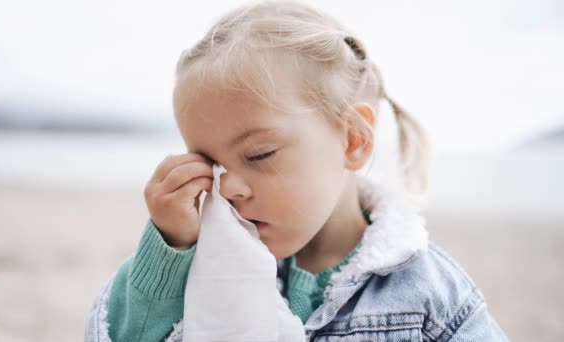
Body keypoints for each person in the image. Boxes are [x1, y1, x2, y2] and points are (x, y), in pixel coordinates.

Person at [84, 1, 509, 341]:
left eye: (259, 154)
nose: (228, 187)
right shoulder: (205, 266)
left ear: (352, 140)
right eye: (210, 164)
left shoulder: (430, 295)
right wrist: (170, 250)